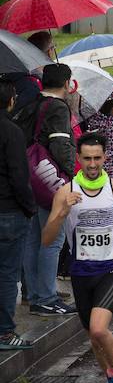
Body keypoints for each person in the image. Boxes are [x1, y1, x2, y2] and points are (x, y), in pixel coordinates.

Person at [42, 132, 113, 383]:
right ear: (78, 159)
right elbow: (46, 239)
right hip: (81, 274)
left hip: (110, 270)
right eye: (87, 158)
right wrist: (62, 212)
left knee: (100, 329)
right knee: (94, 338)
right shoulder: (66, 192)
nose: (93, 164)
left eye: (98, 158)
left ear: (105, 158)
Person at [16, 63, 77, 316]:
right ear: (67, 84)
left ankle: (32, 293)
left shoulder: (31, 104)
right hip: (50, 182)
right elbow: (61, 147)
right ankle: (47, 298)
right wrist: (77, 173)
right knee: (52, 240)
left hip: (30, 179)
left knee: (33, 240)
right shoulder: (58, 108)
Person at [0, 81, 37, 349]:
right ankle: (4, 332)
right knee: (7, 274)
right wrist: (29, 208)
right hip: (9, 211)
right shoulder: (12, 132)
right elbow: (19, 177)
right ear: (11, 101)